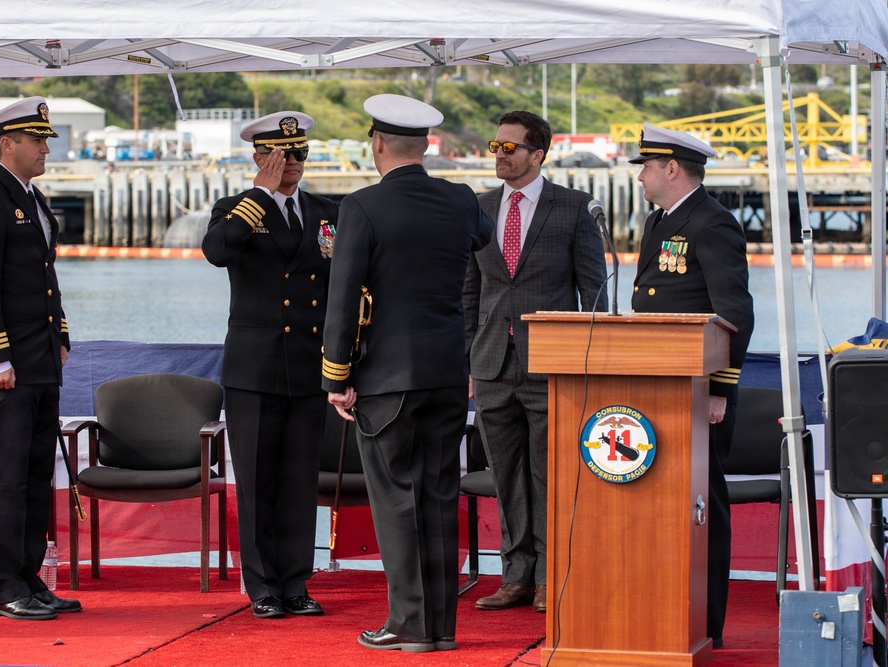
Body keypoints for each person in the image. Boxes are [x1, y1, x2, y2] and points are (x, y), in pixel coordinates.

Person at [323, 94, 492, 652]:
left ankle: (409, 623)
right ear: (426, 147)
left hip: (387, 377)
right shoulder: (462, 200)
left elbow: (343, 298)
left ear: (377, 145)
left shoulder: (362, 206)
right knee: (438, 495)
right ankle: (440, 627)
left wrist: (335, 376)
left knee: (396, 499)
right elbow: (480, 244)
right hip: (446, 371)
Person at [464, 110, 608, 614]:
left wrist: (590, 363)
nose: (499, 155)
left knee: (551, 475)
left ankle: (551, 576)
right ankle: (516, 576)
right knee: (506, 475)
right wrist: (468, 360)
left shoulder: (572, 208)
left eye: (509, 147)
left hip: (553, 365)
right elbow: (470, 292)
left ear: (537, 154)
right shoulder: (478, 209)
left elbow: (594, 294)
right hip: (490, 366)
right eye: (495, 145)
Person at [202, 110, 338, 619]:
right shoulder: (235, 209)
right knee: (257, 481)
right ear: (259, 158)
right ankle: (261, 585)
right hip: (255, 369)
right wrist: (258, 196)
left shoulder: (327, 212)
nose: (293, 164)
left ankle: (296, 581)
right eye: (282, 155)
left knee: (300, 481)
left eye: (300, 153)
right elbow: (217, 252)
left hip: (308, 365)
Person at [628, 122, 754, 648]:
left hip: (699, 392)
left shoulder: (712, 223)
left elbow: (734, 312)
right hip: (659, 387)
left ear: (672, 168)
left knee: (704, 504)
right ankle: (666, 610)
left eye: (646, 166)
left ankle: (707, 620)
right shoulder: (663, 221)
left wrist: (720, 389)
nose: (639, 176)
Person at [0, 96, 80, 620]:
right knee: (4, 479)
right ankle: (4, 587)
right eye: (38, 139)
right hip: (4, 368)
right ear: (9, 144)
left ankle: (29, 578)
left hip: (39, 361)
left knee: (32, 477)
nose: (47, 147)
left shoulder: (30, 197)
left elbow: (44, 282)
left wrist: (61, 336)